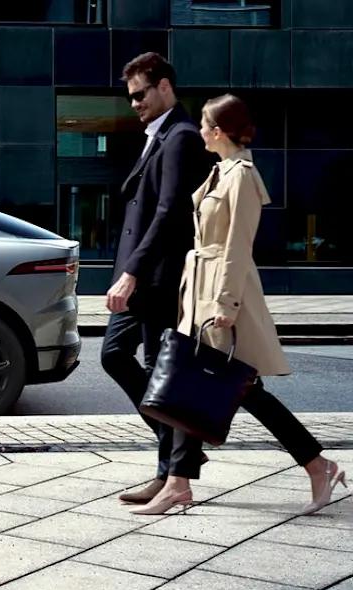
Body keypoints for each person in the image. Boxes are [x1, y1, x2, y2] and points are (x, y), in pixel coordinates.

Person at [131, 94, 347, 516]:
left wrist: (226, 303)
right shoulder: (222, 171)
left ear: (218, 130)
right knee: (191, 385)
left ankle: (318, 465)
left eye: (204, 124)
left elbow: (236, 246)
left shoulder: (242, 175)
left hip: (222, 294)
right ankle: (179, 483)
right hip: (200, 291)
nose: (198, 132)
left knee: (238, 389)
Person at [101, 52, 214, 504]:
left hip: (157, 278)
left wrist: (131, 273)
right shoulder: (159, 136)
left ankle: (175, 469)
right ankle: (173, 461)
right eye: (129, 97)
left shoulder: (182, 136)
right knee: (117, 356)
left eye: (140, 94)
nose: (133, 104)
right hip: (144, 278)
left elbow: (169, 213)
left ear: (165, 86)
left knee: (153, 368)